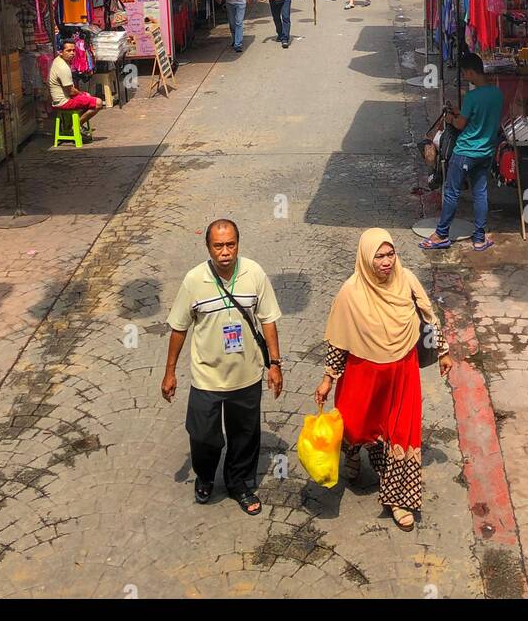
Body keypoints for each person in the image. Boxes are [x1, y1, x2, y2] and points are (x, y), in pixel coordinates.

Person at [314, 229, 450, 531]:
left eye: (391, 254)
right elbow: (338, 341)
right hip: (362, 373)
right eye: (379, 256)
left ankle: (400, 500)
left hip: (403, 372)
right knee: (356, 424)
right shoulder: (350, 292)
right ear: (365, 258)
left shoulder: (407, 279)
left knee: (403, 432)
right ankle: (353, 451)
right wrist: (328, 379)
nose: (387, 262)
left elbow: (429, 316)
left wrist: (443, 351)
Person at [162, 219, 283, 514]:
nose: (225, 252)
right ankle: (204, 475)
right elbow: (179, 328)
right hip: (207, 377)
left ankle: (238, 482)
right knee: (202, 434)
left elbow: (268, 319)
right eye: (218, 246)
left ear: (238, 245)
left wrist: (275, 364)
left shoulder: (254, 274)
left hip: (247, 374)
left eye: (230, 244)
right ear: (208, 247)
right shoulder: (193, 280)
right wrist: (170, 372)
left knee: (245, 434)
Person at [420, 52, 503, 253]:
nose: (465, 77)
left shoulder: (472, 96)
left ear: (471, 72)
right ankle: (479, 239)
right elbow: (481, 118)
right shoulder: (497, 94)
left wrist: (451, 119)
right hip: (486, 151)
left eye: (465, 74)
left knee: (451, 192)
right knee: (481, 193)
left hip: (465, 151)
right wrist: (462, 112)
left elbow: (461, 124)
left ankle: (441, 234)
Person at [47, 40, 104, 140]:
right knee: (98, 103)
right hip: (64, 101)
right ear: (61, 52)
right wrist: (82, 94)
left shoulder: (59, 60)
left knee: (87, 98)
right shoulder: (62, 67)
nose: (72, 53)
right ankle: (76, 126)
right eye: (68, 51)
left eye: (73, 50)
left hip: (62, 99)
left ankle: (73, 124)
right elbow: (71, 91)